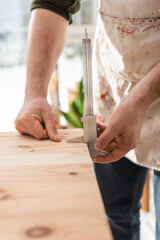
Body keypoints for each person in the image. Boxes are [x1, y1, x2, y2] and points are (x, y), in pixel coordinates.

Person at [14, 1, 160, 239]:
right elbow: (53, 3)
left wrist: (138, 101)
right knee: (111, 215)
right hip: (112, 90)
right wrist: (34, 93)